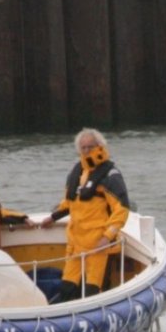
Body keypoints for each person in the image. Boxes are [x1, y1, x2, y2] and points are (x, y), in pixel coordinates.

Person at [39, 128, 132, 302]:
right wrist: (52, 218)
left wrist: (107, 236)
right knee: (67, 286)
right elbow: (69, 203)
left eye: (91, 146)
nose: (87, 150)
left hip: (98, 243)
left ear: (100, 146)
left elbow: (122, 209)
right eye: (84, 147)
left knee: (93, 288)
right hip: (75, 241)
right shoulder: (77, 171)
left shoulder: (110, 174)